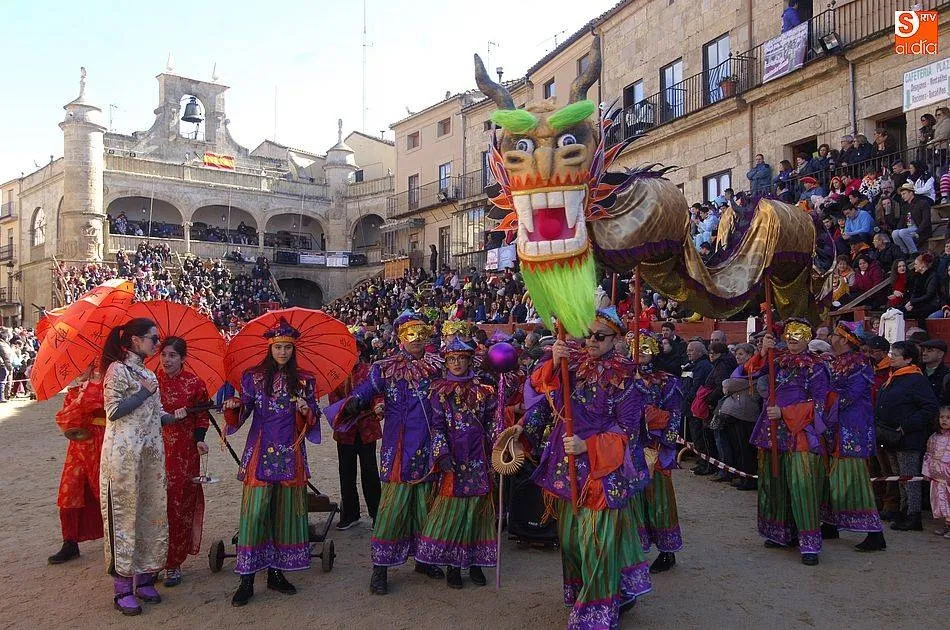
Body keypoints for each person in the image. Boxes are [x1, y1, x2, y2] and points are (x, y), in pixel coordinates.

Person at [516, 307, 652, 627]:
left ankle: (599, 607)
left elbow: (628, 430)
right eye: (587, 334)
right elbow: (542, 391)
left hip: (602, 472)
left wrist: (588, 446)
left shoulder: (625, 378)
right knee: (570, 540)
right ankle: (598, 591)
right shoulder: (573, 364)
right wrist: (555, 360)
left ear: (615, 339)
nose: (591, 340)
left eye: (599, 336)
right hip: (568, 468)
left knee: (596, 541)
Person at [326, 310, 445, 596]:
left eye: (421, 333)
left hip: (427, 449)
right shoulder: (385, 368)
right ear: (400, 338)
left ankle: (424, 559)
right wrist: (355, 402)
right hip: (399, 450)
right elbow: (368, 389)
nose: (416, 340)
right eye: (410, 334)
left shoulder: (437, 366)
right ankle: (380, 568)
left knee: (424, 507)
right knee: (392, 510)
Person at [222, 318, 321, 606]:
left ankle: (277, 573)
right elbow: (242, 415)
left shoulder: (305, 380)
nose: (282, 352)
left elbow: (311, 420)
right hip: (260, 453)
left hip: (291, 454)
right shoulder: (252, 377)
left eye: (287, 347)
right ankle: (247, 578)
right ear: (270, 347)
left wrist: (306, 409)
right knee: (254, 515)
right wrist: (234, 407)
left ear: (293, 349)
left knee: (284, 513)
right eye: (278, 347)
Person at [101, 318, 187, 616]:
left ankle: (145, 577)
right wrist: (143, 393)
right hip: (123, 459)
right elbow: (113, 411)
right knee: (124, 518)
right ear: (136, 340)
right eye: (153, 338)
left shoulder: (149, 373)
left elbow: (157, 416)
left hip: (150, 458)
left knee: (150, 512)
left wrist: (175, 416)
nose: (157, 342)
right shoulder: (117, 370)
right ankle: (122, 588)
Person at [744, 320, 831, 566]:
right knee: (775, 481)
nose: (792, 338)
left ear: (808, 337)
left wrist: (786, 414)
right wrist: (763, 351)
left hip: (800, 431)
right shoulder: (777, 359)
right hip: (772, 430)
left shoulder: (816, 367)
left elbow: (820, 404)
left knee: (802, 485)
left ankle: (809, 543)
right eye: (788, 334)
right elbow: (750, 371)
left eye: (798, 334)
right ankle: (780, 532)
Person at [416, 336, 497, 589]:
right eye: (451, 359)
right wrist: (442, 454)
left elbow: (493, 421)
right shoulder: (439, 392)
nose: (457, 363)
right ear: (446, 362)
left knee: (476, 511)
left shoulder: (484, 389)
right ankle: (453, 565)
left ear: (469, 360)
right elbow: (436, 427)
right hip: (454, 460)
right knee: (453, 512)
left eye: (461, 358)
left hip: (479, 458)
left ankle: (474, 563)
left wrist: (500, 444)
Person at [824, 321, 886, 551]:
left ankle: (874, 532)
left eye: (835, 335)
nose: (832, 338)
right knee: (831, 476)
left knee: (853, 479)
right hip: (836, 427)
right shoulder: (836, 362)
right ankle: (831, 523)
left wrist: (824, 399)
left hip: (853, 429)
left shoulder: (860, 364)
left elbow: (851, 395)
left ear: (844, 339)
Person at [156, 337, 212, 587]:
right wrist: (167, 417)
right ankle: (154, 560)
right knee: (155, 506)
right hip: (154, 451)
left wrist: (199, 439)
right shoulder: (150, 383)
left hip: (184, 453)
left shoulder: (194, 384)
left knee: (179, 505)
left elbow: (202, 417)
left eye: (172, 356)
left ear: (182, 358)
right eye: (164, 355)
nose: (166, 360)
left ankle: (174, 563)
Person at [630, 331, 684, 573]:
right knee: (632, 500)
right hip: (629, 449)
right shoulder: (623, 380)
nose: (640, 353)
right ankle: (635, 550)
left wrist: (666, 442)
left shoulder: (667, 382)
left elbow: (675, 414)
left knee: (659, 499)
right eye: (636, 348)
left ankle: (667, 551)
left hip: (655, 447)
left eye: (646, 348)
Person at [875, 341, 938, 532]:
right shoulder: (894, 376)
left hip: (907, 438)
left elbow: (930, 407)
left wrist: (906, 426)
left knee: (909, 479)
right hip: (890, 436)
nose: (891, 356)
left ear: (908, 358)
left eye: (896, 354)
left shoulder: (915, 379)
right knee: (899, 477)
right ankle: (904, 510)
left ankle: (913, 514)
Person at [49, 369, 106, 565]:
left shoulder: (106, 387)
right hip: (78, 448)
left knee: (104, 491)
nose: (77, 373)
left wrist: (88, 391)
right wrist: (81, 395)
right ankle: (70, 542)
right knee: (69, 493)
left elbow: (99, 404)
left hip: (102, 442)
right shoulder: (74, 392)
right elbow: (66, 421)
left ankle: (115, 539)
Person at [327, 339, 382, 531]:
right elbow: (333, 398)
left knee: (370, 472)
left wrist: (373, 406)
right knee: (346, 472)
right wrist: (345, 408)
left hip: (366, 428)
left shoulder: (370, 372)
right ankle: (350, 513)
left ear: (359, 352)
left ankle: (377, 514)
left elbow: (378, 395)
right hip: (345, 431)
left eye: (354, 351)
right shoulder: (336, 373)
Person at [720, 343, 761, 490]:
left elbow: (729, 386)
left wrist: (726, 383)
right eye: (737, 354)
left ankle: (749, 479)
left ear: (750, 356)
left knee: (745, 450)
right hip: (736, 413)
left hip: (746, 413)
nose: (738, 357)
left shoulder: (754, 370)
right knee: (738, 448)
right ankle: (743, 477)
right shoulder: (738, 370)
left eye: (742, 354)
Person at [923, 406, 950, 538]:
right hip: (937, 478)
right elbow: (928, 455)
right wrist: (927, 472)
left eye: (948, 418)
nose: (944, 420)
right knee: (941, 501)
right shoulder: (934, 437)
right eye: (942, 417)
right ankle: (946, 525)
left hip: (948, 478)